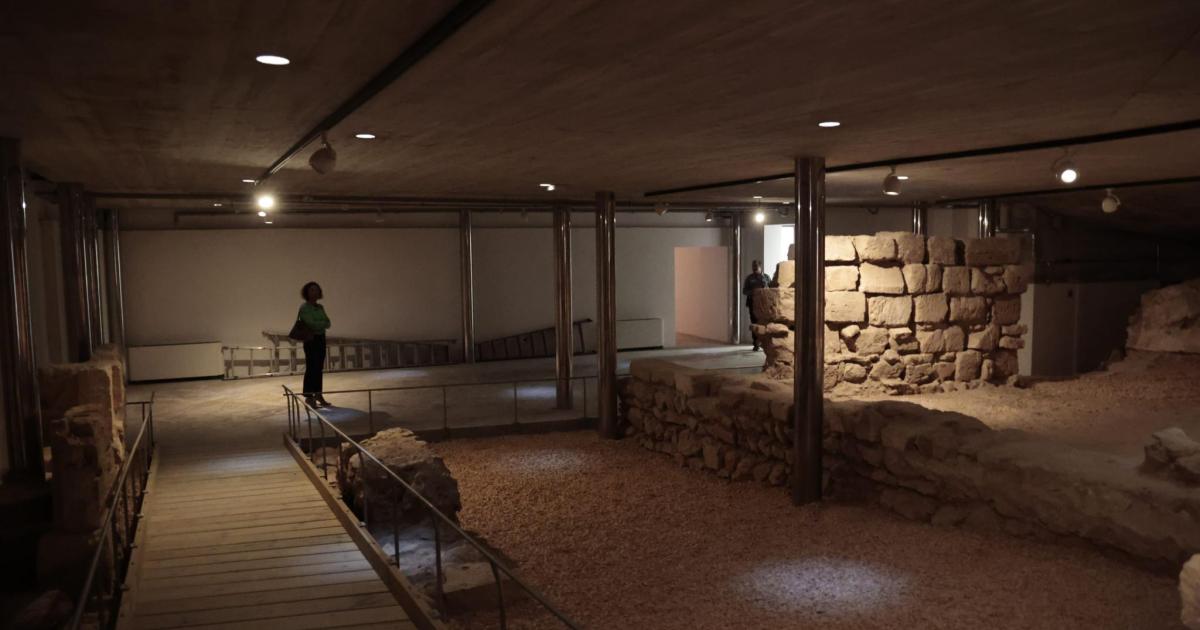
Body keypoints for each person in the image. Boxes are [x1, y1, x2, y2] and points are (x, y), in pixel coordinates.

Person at [298, 281, 332, 407]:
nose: (315, 292)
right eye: (312, 289)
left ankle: (318, 394)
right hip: (310, 339)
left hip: (321, 338)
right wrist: (321, 324)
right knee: (311, 367)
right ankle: (308, 396)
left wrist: (320, 324)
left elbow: (328, 322)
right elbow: (311, 324)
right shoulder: (304, 308)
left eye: (317, 289)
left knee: (319, 367)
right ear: (306, 292)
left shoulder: (320, 307)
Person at [742, 260, 772, 351]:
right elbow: (744, 291)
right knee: (754, 323)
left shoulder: (766, 277)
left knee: (764, 323)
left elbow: (771, 289)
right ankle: (756, 343)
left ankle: (765, 342)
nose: (754, 268)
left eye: (756, 266)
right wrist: (753, 292)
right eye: (753, 266)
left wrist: (765, 287)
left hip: (764, 304)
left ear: (760, 267)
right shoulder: (749, 278)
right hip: (752, 304)